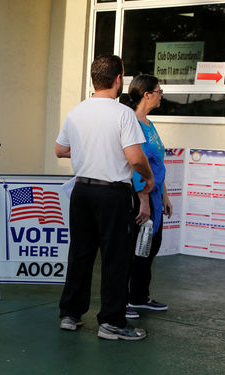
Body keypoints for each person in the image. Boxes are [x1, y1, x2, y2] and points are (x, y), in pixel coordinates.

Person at [55, 54, 154, 341]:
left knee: (81, 254)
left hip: (82, 191)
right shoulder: (122, 113)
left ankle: (70, 315)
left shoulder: (76, 112)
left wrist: (92, 150)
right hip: (113, 194)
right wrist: (147, 177)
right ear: (118, 79)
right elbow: (135, 159)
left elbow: (60, 150)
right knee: (116, 258)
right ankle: (111, 322)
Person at [121, 74, 172, 319]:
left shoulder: (149, 124)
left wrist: (164, 195)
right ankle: (124, 300)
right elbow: (136, 165)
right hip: (140, 196)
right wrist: (143, 200)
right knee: (134, 248)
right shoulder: (132, 123)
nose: (161, 95)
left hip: (154, 194)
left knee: (150, 246)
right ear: (146, 94)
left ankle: (140, 296)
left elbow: (156, 163)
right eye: (159, 91)